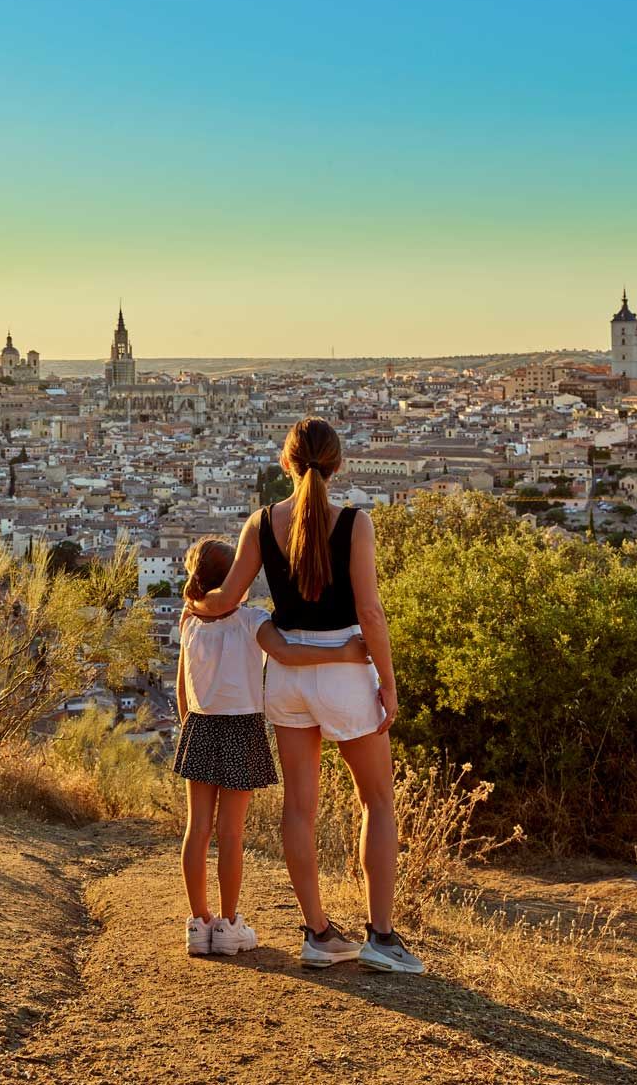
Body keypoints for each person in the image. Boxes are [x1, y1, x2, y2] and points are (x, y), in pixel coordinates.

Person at [189, 417, 424, 973]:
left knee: (299, 807)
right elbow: (370, 612)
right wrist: (388, 683)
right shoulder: (355, 524)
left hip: (288, 672)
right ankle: (381, 936)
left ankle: (317, 932)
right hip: (343, 666)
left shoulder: (260, 523)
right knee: (377, 802)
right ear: (337, 464)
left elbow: (226, 599)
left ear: (286, 462)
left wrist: (193, 603)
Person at [173, 534, 370, 958]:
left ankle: (198, 923)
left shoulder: (188, 618)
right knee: (230, 833)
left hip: (199, 725)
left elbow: (180, 687)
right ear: (236, 580)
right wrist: (344, 652)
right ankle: (228, 925)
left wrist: (190, 726)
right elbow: (288, 653)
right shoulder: (251, 620)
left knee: (197, 828)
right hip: (241, 727)